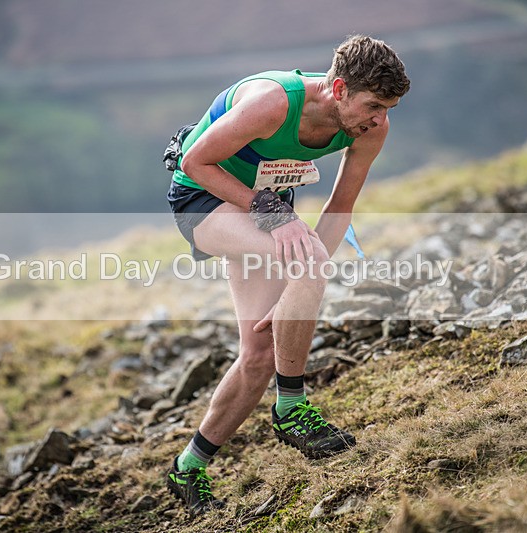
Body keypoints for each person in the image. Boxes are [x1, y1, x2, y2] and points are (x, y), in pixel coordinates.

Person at [164, 34, 410, 514]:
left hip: (266, 205)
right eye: (374, 105)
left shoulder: (370, 129)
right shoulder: (273, 104)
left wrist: (299, 287)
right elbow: (195, 161)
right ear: (338, 89)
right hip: (202, 194)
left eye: (389, 107)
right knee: (306, 261)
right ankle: (292, 408)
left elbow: (340, 208)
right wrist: (279, 224)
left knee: (260, 354)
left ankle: (187, 468)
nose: (380, 119)